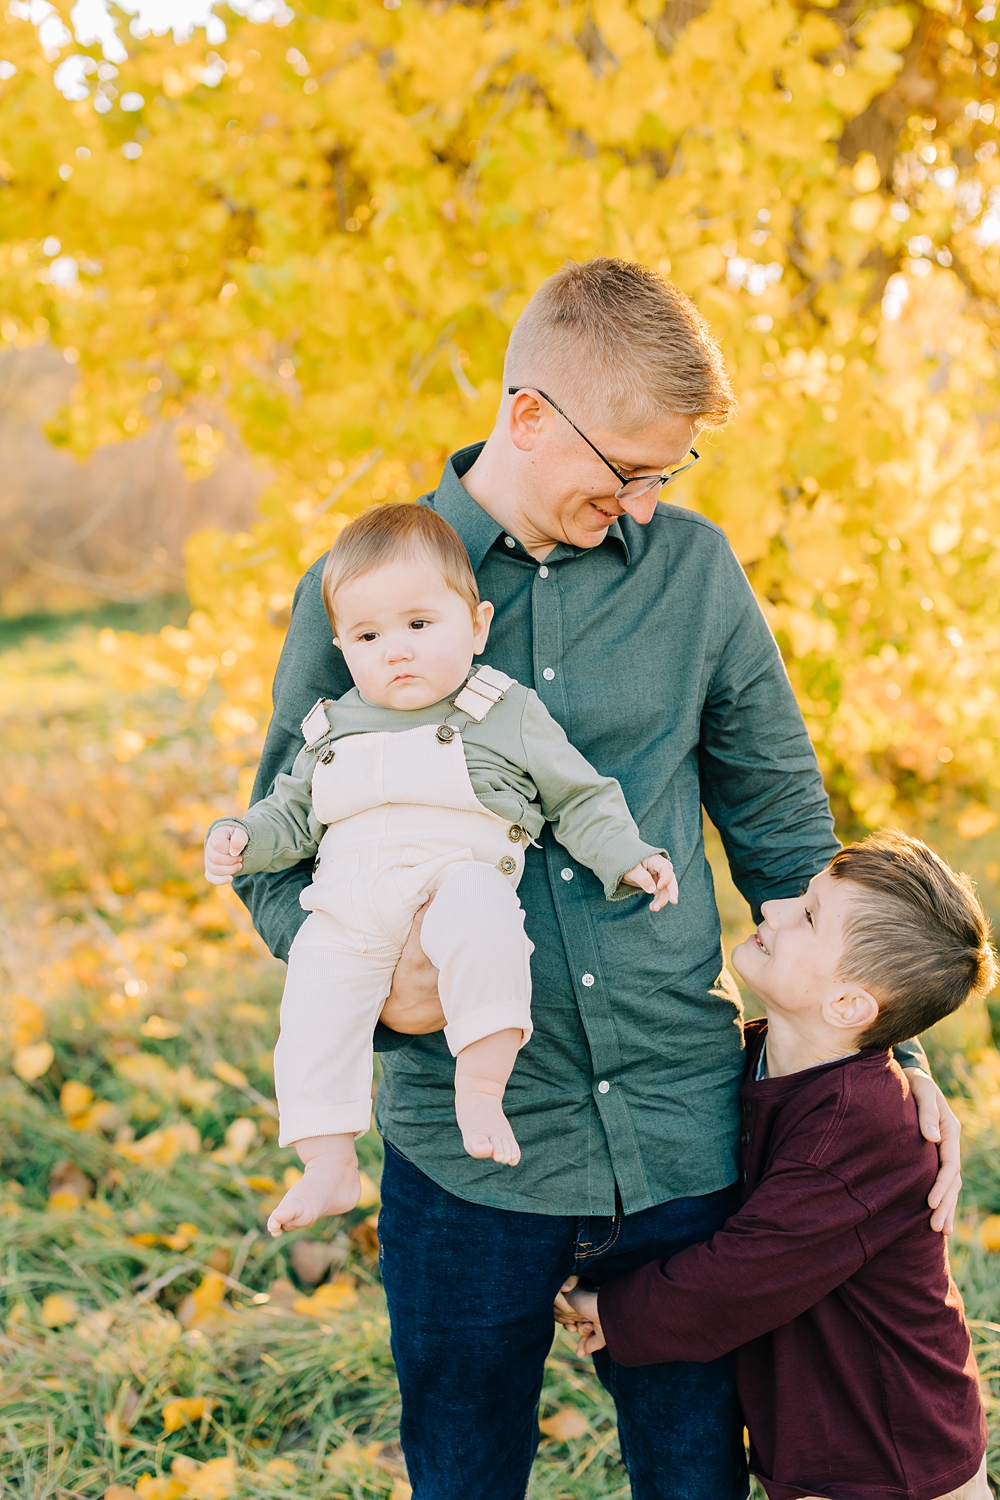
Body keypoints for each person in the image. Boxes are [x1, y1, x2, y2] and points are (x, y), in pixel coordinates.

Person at [232, 258, 962, 1500]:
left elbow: (782, 821)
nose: (641, 502)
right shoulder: (367, 592)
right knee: (465, 1471)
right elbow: (275, 849)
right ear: (528, 415)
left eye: (665, 474)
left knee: (693, 1474)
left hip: (683, 1131)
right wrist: (385, 986)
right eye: (624, 470)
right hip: (469, 1152)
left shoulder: (695, 572)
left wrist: (887, 1056)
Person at [204, 503, 676, 1232]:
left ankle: (480, 1090)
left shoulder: (501, 710)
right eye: (369, 636)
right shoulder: (331, 726)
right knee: (314, 999)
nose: (397, 651)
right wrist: (242, 835)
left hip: (456, 877)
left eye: (420, 625)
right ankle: (327, 1161)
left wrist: (628, 855)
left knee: (484, 930)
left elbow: (579, 797)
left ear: (478, 626)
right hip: (350, 905)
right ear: (342, 646)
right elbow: (291, 816)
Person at [561, 831, 997, 1500]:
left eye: (809, 915)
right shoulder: (760, 1057)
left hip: (890, 1453)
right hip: (824, 1437)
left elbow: (740, 1276)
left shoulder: (860, 1126)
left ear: (848, 1005)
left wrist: (609, 1310)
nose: (773, 907)